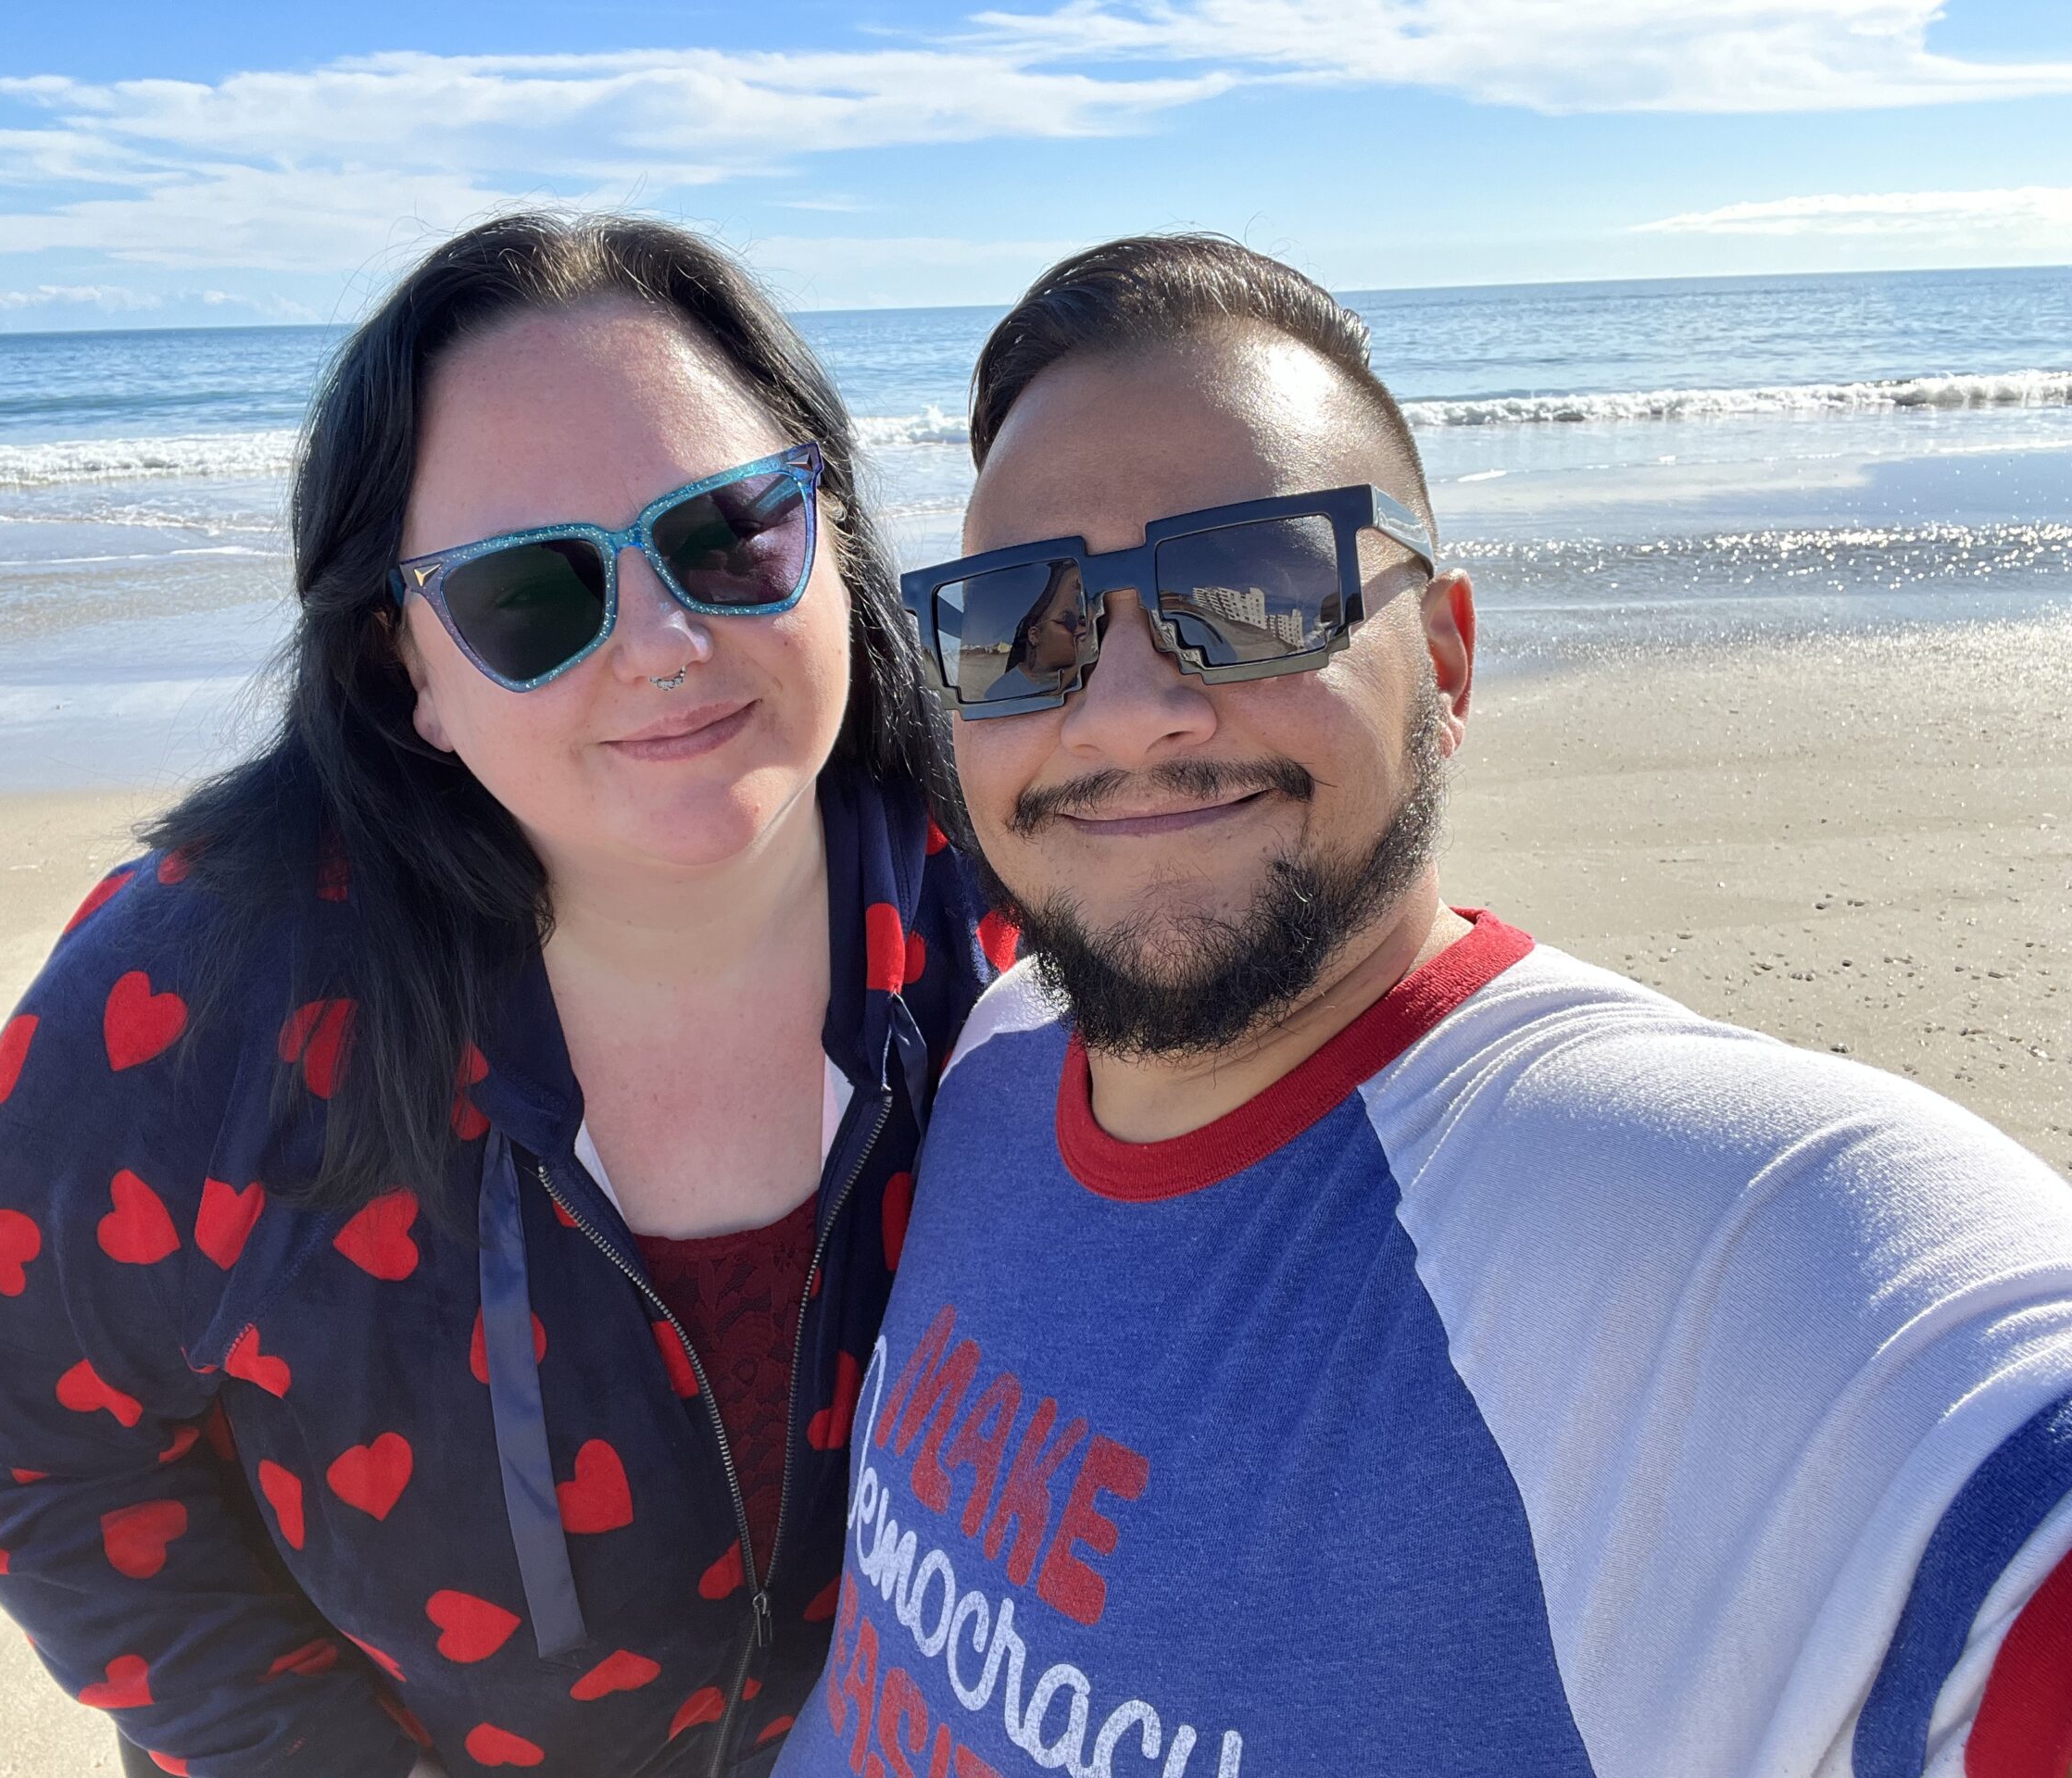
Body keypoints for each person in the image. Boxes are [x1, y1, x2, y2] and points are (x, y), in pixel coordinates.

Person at [775, 236, 2072, 1778]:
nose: (1123, 707)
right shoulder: (991, 1060)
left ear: (1445, 658)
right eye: (1021, 627)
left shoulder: (1734, 1232)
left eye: (1252, 590)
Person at [0, 213, 1002, 1778]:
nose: (669, 642)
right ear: (402, 665)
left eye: (730, 532)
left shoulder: (1017, 893)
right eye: (533, 596)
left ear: (833, 531)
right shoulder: (204, 989)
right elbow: (15, 1444)